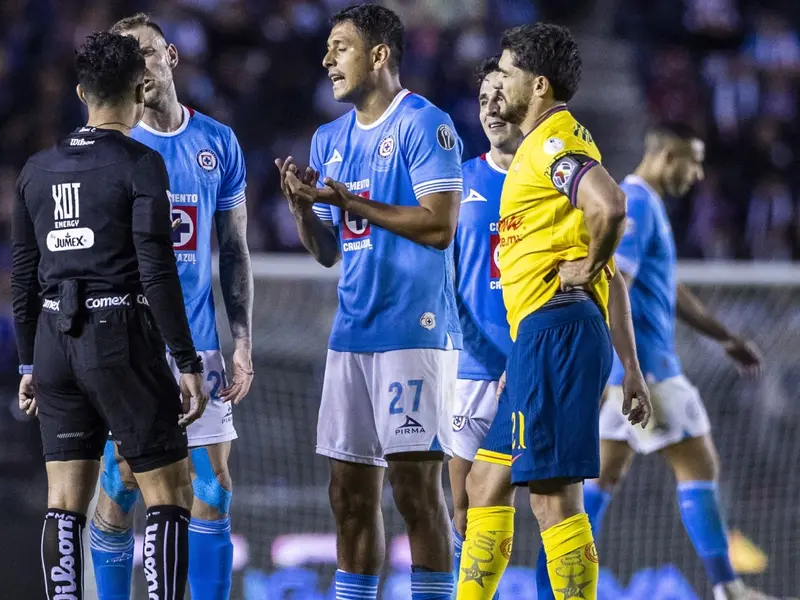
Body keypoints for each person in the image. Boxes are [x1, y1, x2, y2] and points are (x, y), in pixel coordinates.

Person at [455, 24, 652, 600]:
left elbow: (610, 205)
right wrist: (631, 368)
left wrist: (587, 264)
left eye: (509, 73)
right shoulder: (546, 144)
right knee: (485, 482)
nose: (500, 83)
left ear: (537, 85)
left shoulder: (549, 145)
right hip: (540, 337)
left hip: (556, 332)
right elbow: (610, 274)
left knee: (551, 499)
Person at [10, 31, 206, 600]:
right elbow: (157, 269)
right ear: (141, 90)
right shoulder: (141, 164)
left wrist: (28, 363)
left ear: (80, 92)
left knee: (64, 502)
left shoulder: (34, 169)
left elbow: (22, 277)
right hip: (117, 335)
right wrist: (186, 360)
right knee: (170, 493)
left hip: (52, 341)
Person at [276, 4, 463, 599]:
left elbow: (440, 225)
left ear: (379, 55)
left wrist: (352, 202)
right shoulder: (328, 138)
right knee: (348, 499)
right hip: (351, 335)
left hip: (415, 333)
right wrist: (305, 211)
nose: (327, 59)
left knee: (415, 495)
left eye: (340, 47)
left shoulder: (424, 124)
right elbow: (329, 252)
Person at [89, 14, 254, 600]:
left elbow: (233, 252)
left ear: (172, 56)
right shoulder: (116, 147)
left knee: (212, 488)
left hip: (201, 347)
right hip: (130, 344)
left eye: (146, 53)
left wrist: (243, 345)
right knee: (122, 483)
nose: (140, 68)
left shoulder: (217, 143)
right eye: (126, 60)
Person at [584, 123, 770, 600]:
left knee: (600, 480)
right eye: (694, 160)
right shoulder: (637, 204)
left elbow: (670, 290)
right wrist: (627, 370)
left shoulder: (646, 205)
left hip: (629, 372)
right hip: (648, 372)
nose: (699, 172)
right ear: (668, 156)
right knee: (700, 465)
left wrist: (724, 337)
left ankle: (559, 583)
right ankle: (728, 587)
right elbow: (612, 282)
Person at [446, 56, 522, 597]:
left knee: (546, 502)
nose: (491, 108)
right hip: (466, 368)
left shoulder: (551, 184)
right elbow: (440, 280)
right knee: (463, 508)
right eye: (482, 100)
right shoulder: (459, 183)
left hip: (528, 367)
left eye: (501, 95)